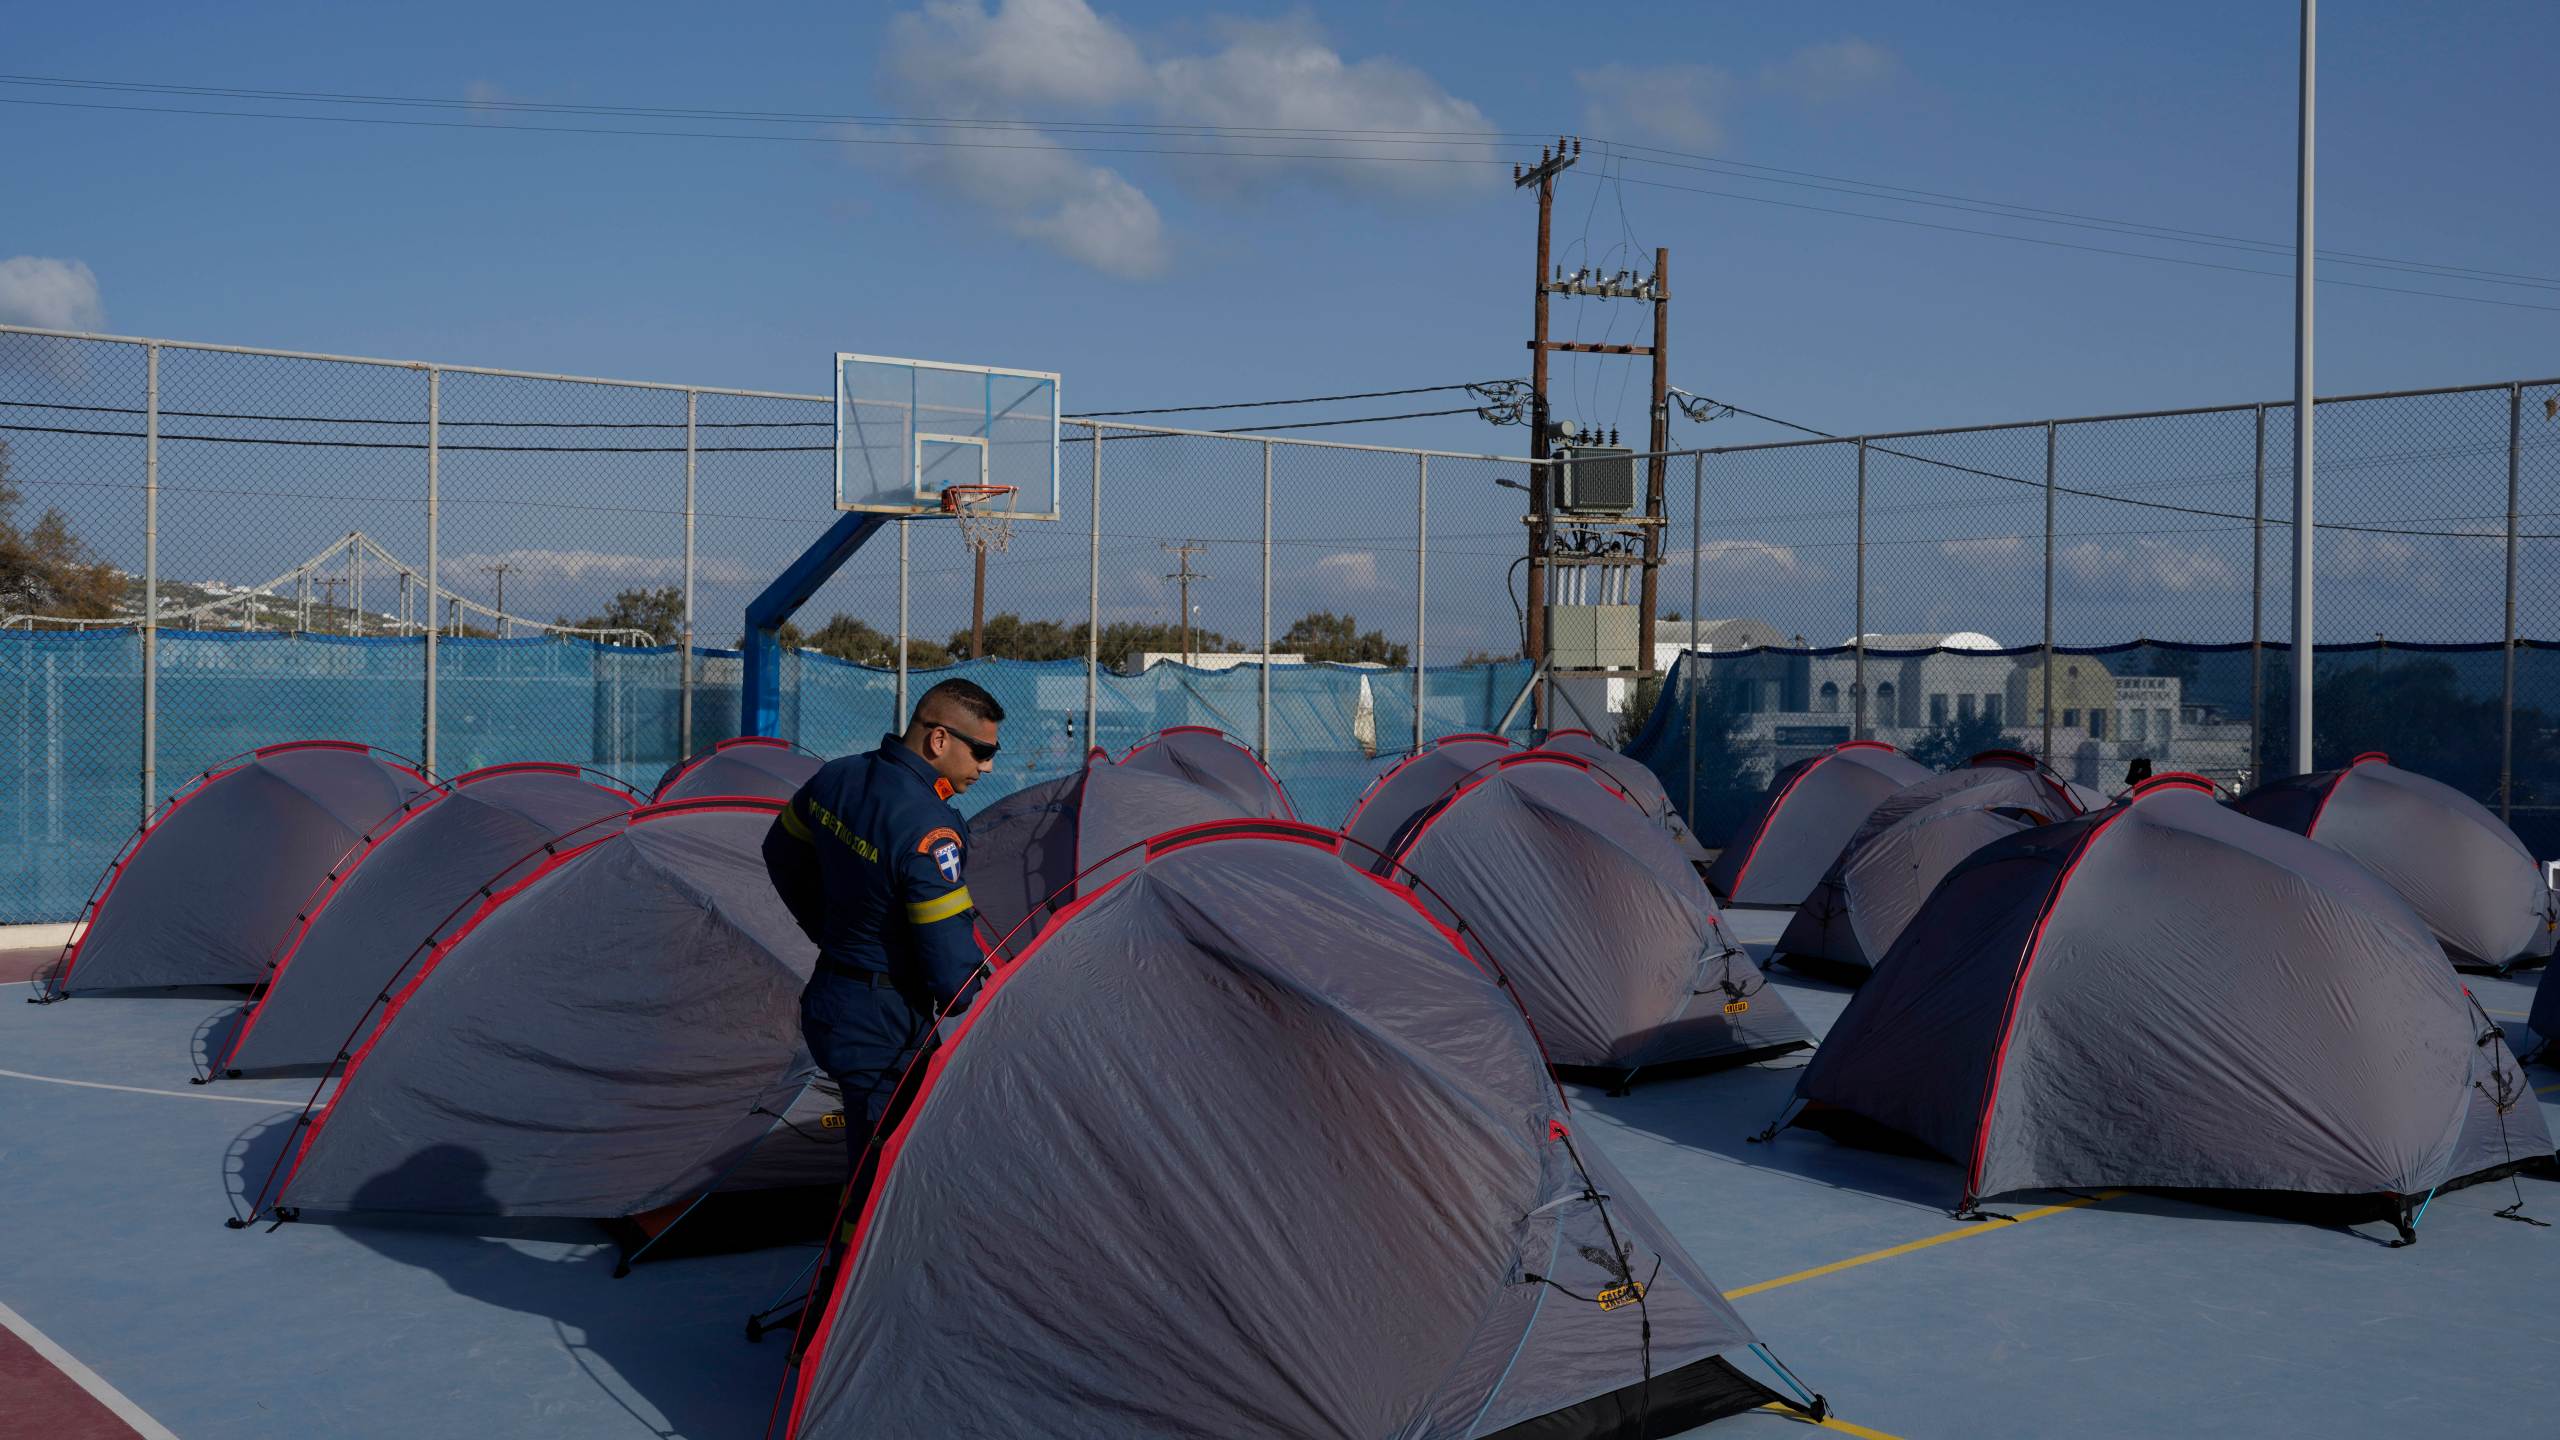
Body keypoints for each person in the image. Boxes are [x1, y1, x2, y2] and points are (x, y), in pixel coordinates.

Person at [763, 678, 1005, 1168]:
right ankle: (853, 1247)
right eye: (980, 751)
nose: (988, 766)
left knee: (868, 1153)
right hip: (887, 1024)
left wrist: (832, 933)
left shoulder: (837, 777)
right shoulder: (930, 829)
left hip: (832, 997)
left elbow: (781, 853)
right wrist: (990, 1003)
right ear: (939, 740)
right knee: (880, 1174)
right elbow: (952, 971)